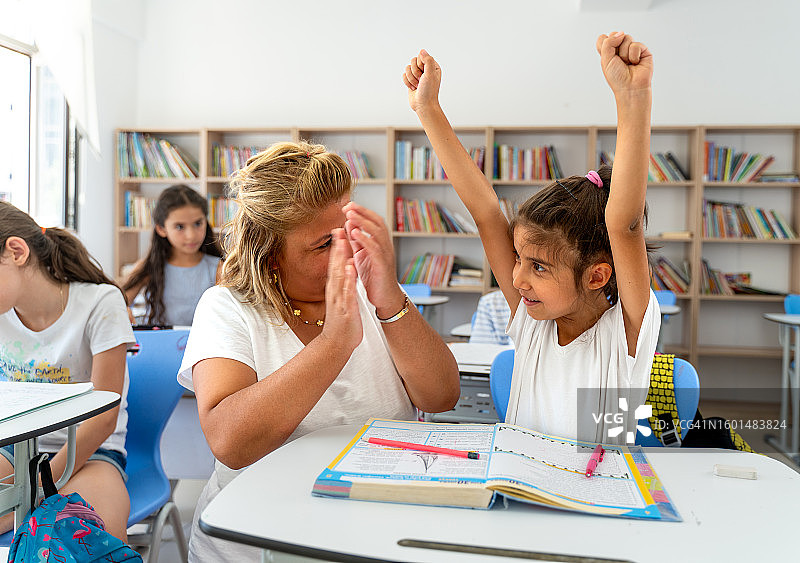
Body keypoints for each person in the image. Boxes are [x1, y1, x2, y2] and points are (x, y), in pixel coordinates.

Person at [177, 141, 460, 562]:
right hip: (254, 541)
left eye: (349, 231)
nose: (346, 249)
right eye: (323, 244)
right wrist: (334, 345)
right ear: (270, 255)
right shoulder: (226, 308)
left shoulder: (375, 296)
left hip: (371, 530)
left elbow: (441, 396)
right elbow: (230, 442)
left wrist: (389, 297)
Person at [404, 32, 660, 443]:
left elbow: (623, 225)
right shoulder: (533, 322)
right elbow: (487, 213)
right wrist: (428, 109)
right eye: (519, 259)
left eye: (538, 266)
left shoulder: (625, 335)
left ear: (596, 276)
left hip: (596, 500)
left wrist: (633, 99)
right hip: (521, 497)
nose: (517, 278)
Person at [0, 202, 135, 542]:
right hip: (12, 447)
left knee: (81, 540)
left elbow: (103, 418)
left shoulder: (101, 302)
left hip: (88, 452)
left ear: (16, 252)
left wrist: (40, 487)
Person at [122, 184, 223, 326]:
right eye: (180, 227)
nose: (191, 235)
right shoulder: (150, 267)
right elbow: (118, 302)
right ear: (161, 229)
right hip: (159, 345)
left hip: (205, 346)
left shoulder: (220, 268)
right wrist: (122, 309)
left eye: (198, 223)